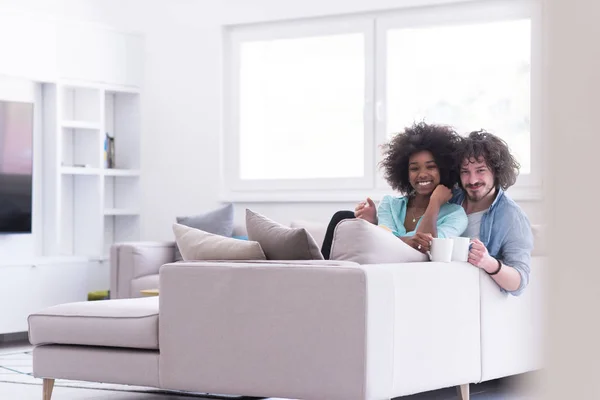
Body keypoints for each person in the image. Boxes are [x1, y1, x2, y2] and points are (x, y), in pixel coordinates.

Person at [321, 122, 468, 259]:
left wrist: (434, 203)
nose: (422, 174)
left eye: (431, 167)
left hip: (416, 275)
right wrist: (373, 226)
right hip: (383, 265)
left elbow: (425, 247)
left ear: (444, 170)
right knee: (343, 216)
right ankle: (316, 269)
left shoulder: (456, 215)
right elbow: (384, 244)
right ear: (405, 173)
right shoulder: (390, 204)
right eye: (414, 168)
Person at [451, 130, 533, 296]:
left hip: (476, 301)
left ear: (496, 171)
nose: (472, 180)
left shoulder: (511, 216)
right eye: (465, 172)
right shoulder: (450, 200)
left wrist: (489, 263)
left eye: (480, 170)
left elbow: (520, 281)